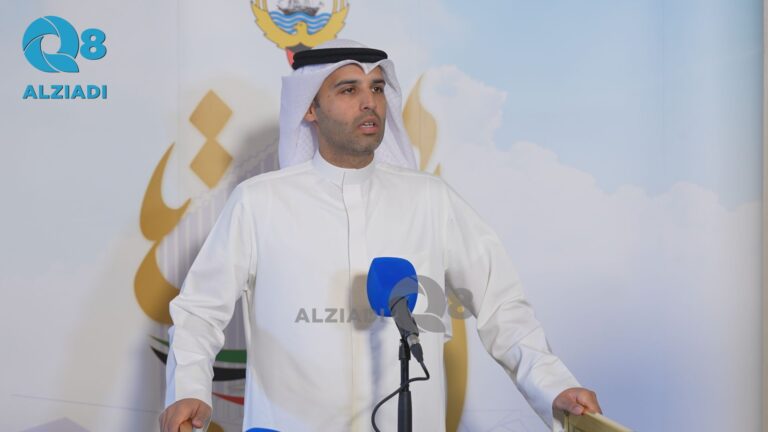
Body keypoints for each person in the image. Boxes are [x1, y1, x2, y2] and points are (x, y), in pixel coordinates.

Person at [159, 39, 601, 432]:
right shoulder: (260, 202)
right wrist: (188, 390)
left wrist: (554, 386)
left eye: (376, 88)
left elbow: (501, 305)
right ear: (309, 108)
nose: (369, 102)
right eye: (348, 90)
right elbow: (200, 310)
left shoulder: (429, 199)